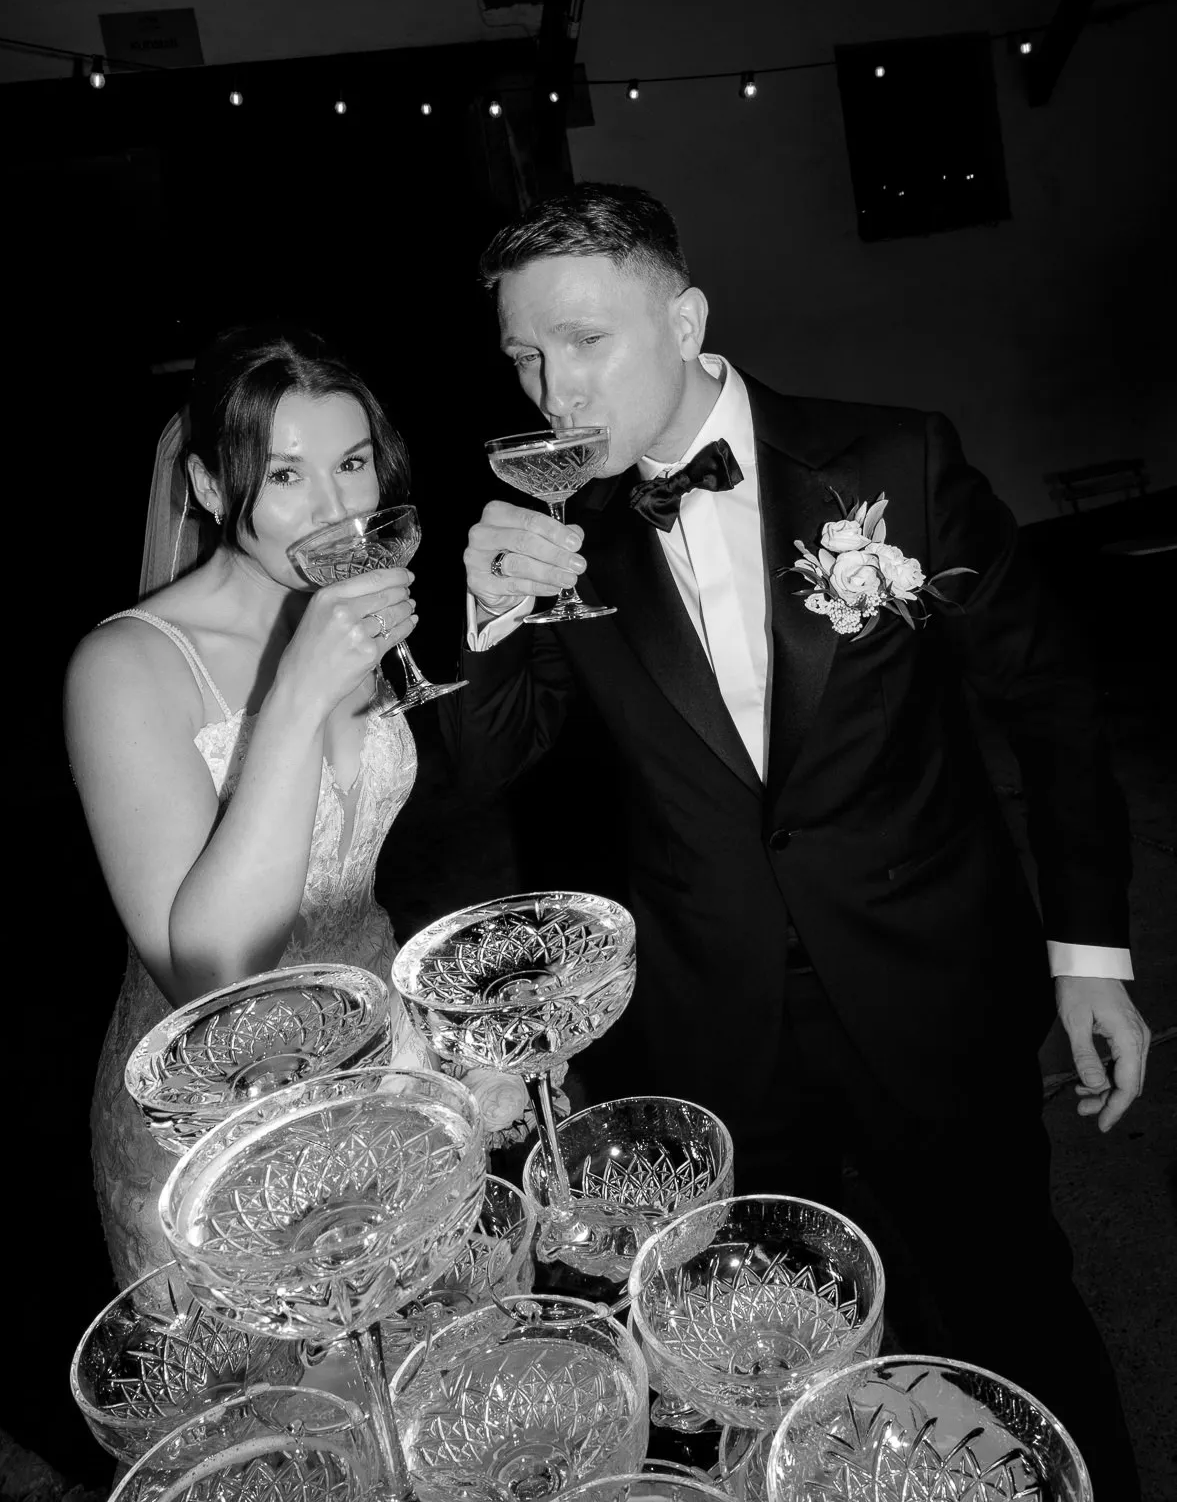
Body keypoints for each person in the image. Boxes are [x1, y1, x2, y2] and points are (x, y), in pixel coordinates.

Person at [445, 183, 1149, 1493]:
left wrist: (1090, 951)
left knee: (1008, 1308)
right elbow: (485, 768)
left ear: (687, 316)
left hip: (934, 985)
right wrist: (491, 614)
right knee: (779, 1352)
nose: (554, 389)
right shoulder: (558, 532)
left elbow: (1051, 706)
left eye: (585, 342)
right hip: (715, 1033)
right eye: (526, 357)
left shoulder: (894, 462)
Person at [67, 323, 522, 1293]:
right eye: (284, 476)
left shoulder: (348, 608)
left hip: (387, 1060)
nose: (334, 509)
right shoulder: (126, 668)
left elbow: (438, 808)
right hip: (225, 1125)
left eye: (353, 463)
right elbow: (210, 972)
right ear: (204, 487)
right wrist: (297, 698)